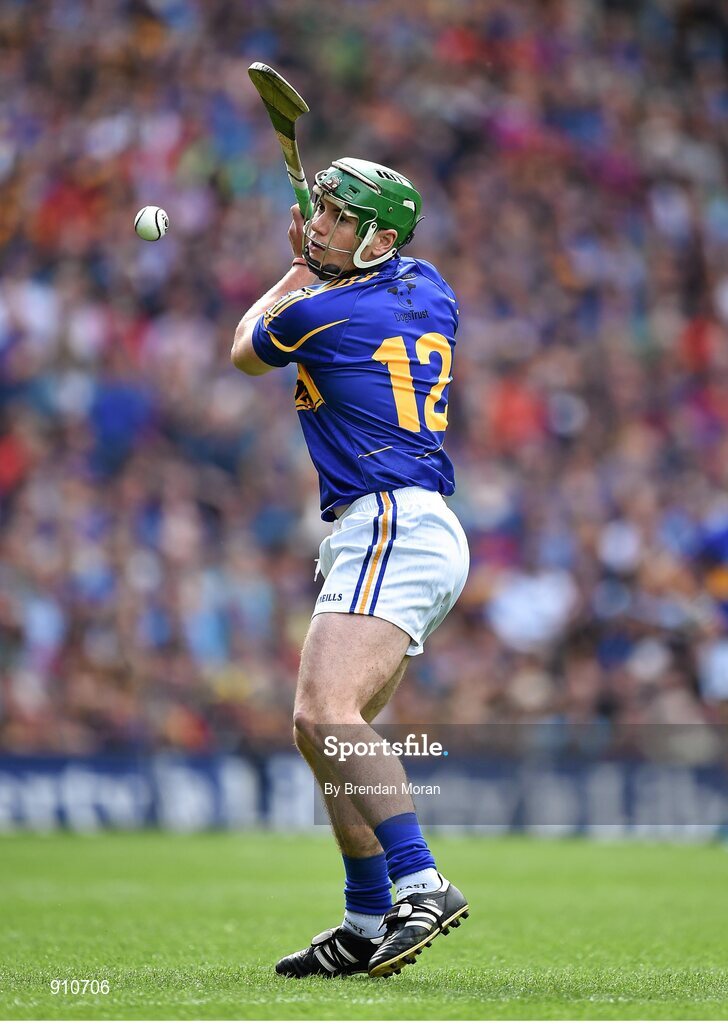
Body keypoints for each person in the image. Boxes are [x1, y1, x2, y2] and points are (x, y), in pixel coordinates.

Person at [231, 158, 470, 979]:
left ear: (378, 240)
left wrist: (296, 268)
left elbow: (244, 352)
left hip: (390, 520)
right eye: (320, 212)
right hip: (418, 527)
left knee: (323, 713)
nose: (319, 224)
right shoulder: (430, 283)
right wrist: (327, 256)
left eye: (336, 218)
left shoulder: (321, 314)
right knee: (327, 733)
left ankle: (421, 881)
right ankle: (366, 921)